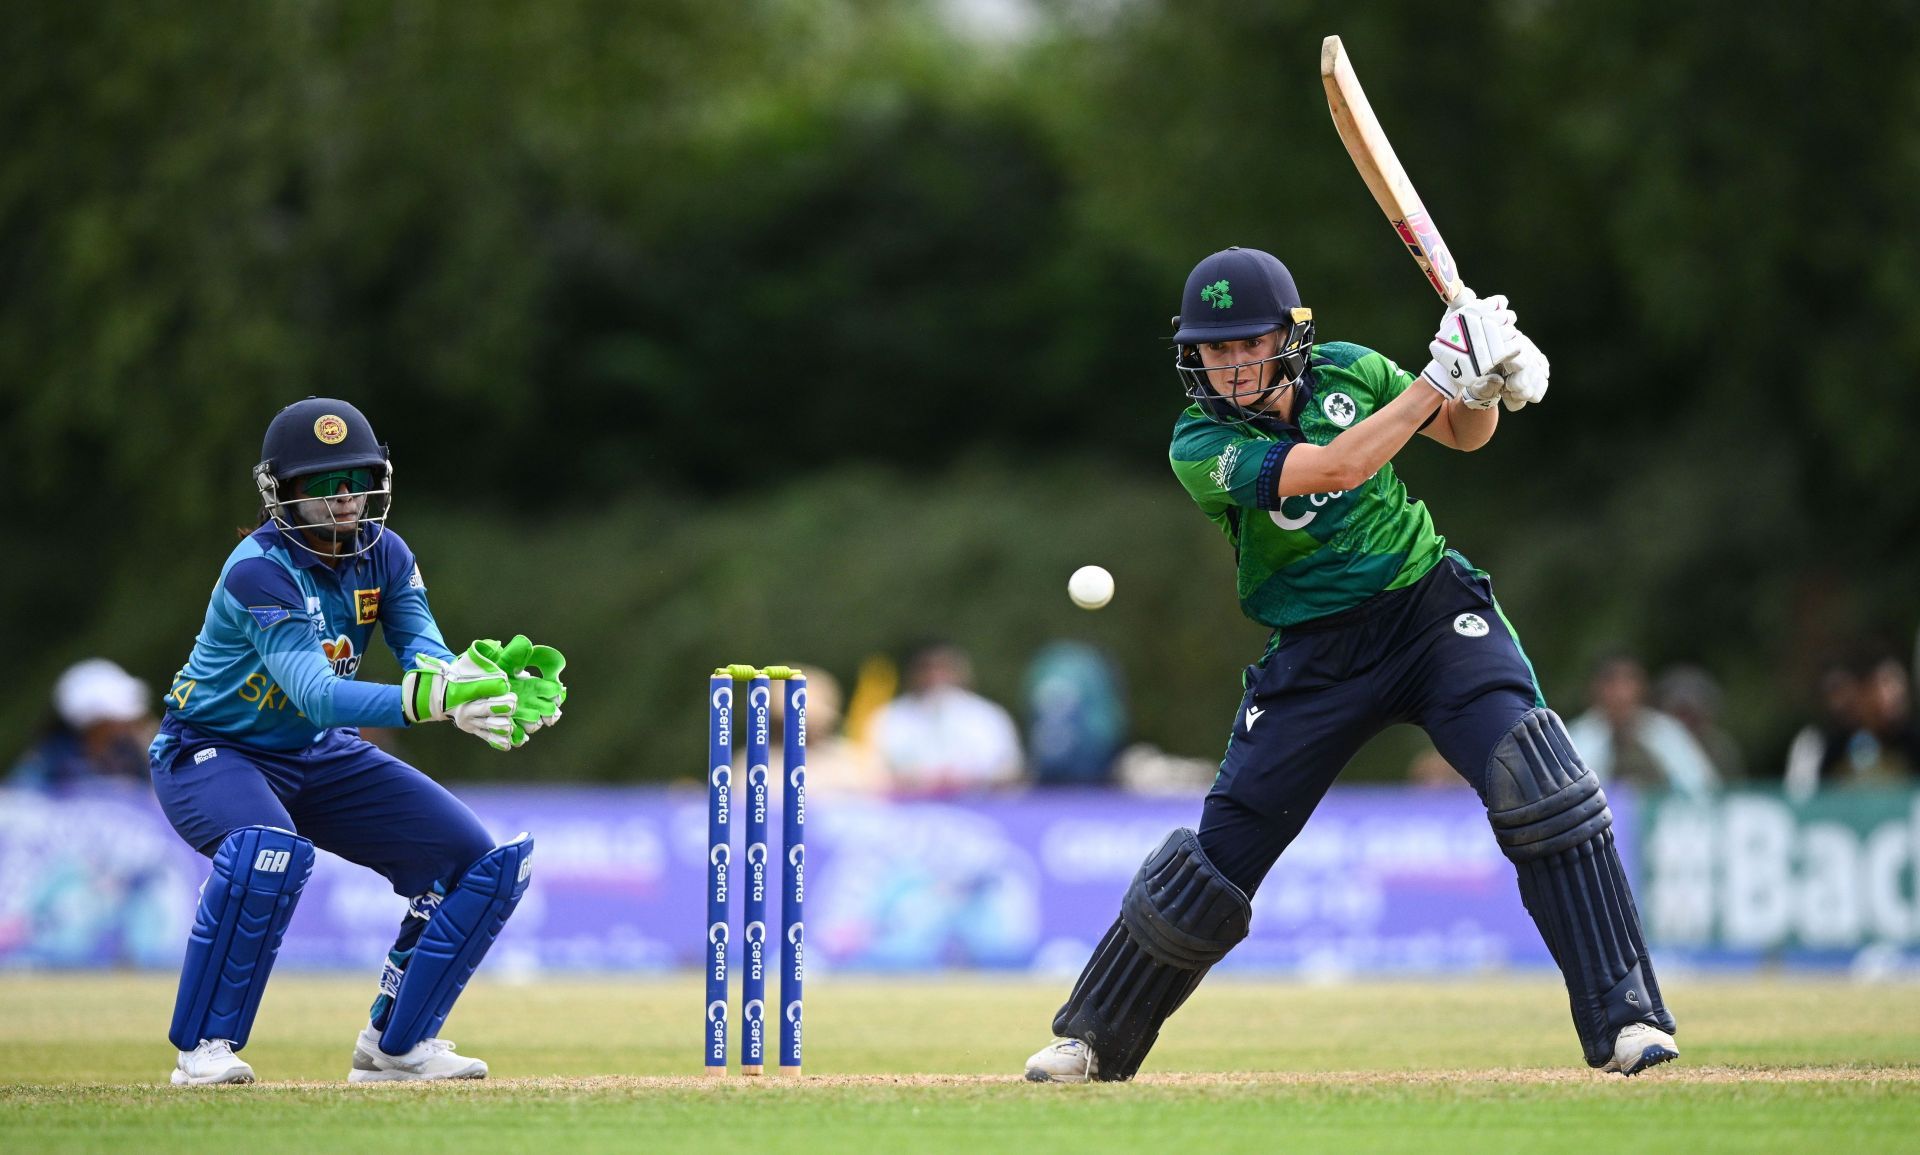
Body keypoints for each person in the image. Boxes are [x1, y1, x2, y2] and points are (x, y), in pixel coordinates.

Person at [1023, 247, 1677, 1083]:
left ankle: (1629, 1020)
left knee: (1539, 783)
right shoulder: (1202, 443)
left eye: (1246, 344)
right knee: (1221, 853)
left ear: (1291, 337)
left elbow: (1462, 436)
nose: (1229, 366)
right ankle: (1094, 1038)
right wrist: (1441, 378)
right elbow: (1340, 465)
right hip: (1315, 654)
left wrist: (1483, 385)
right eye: (1212, 351)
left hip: (1431, 614)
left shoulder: (1352, 370)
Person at [147, 398, 566, 1086]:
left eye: (357, 478)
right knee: (264, 850)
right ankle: (205, 1049)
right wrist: (433, 701)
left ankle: (395, 1046)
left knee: (473, 862)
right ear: (281, 492)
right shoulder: (259, 569)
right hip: (213, 750)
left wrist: (474, 682)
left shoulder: (388, 552)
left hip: (318, 752)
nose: (345, 497)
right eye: (323, 482)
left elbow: (422, 648)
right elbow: (313, 689)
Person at [870, 642, 1022, 793]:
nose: (934, 676)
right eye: (926, 668)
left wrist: (969, 779)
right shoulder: (888, 717)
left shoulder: (988, 716)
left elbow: (1011, 770)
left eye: (943, 668)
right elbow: (871, 773)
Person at [1566, 657, 1720, 796]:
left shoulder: (1666, 732)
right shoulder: (1576, 738)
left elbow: (1701, 787)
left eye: (1628, 682)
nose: (1621, 693)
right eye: (1612, 683)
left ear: (1642, 687)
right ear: (1596, 688)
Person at [8, 659, 155, 792]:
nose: (127, 726)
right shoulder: (45, 769)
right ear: (92, 725)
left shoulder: (130, 754)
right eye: (113, 720)